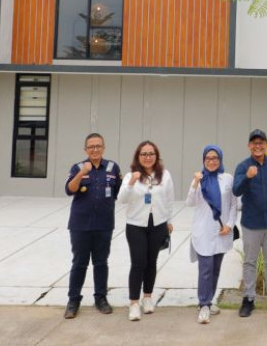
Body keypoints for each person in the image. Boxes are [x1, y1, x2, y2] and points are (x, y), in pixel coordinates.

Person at [63, 132, 122, 319]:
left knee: (101, 263)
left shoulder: (112, 167)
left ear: (103, 148)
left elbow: (120, 192)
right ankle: (73, 301)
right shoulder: (78, 167)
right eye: (91, 147)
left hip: (104, 224)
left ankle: (101, 299)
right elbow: (70, 189)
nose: (95, 149)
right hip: (80, 225)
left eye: (98, 146)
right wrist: (82, 172)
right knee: (79, 263)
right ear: (85, 150)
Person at [116, 140, 176, 321]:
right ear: (138, 157)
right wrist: (132, 183)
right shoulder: (130, 176)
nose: (148, 157)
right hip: (136, 225)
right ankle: (134, 303)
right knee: (138, 263)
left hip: (158, 224)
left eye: (151, 154)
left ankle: (147, 297)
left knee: (152, 261)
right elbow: (122, 199)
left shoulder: (164, 175)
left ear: (156, 156)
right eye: (144, 154)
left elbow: (169, 200)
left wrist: (169, 221)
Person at [233, 129, 267, 317]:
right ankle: (248, 299)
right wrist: (247, 177)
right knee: (250, 262)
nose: (258, 146)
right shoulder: (243, 166)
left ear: (266, 145)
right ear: (249, 146)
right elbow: (236, 190)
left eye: (261, 143)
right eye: (254, 143)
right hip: (251, 224)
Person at [186, 145, 238, 324]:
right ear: (203, 160)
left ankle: (209, 300)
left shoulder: (228, 179)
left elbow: (233, 204)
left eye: (215, 158)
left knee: (215, 270)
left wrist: (230, 225)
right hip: (203, 232)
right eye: (208, 158)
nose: (212, 161)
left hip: (221, 232)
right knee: (205, 270)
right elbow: (189, 202)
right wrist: (194, 183)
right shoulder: (199, 179)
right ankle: (204, 304)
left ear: (220, 159)